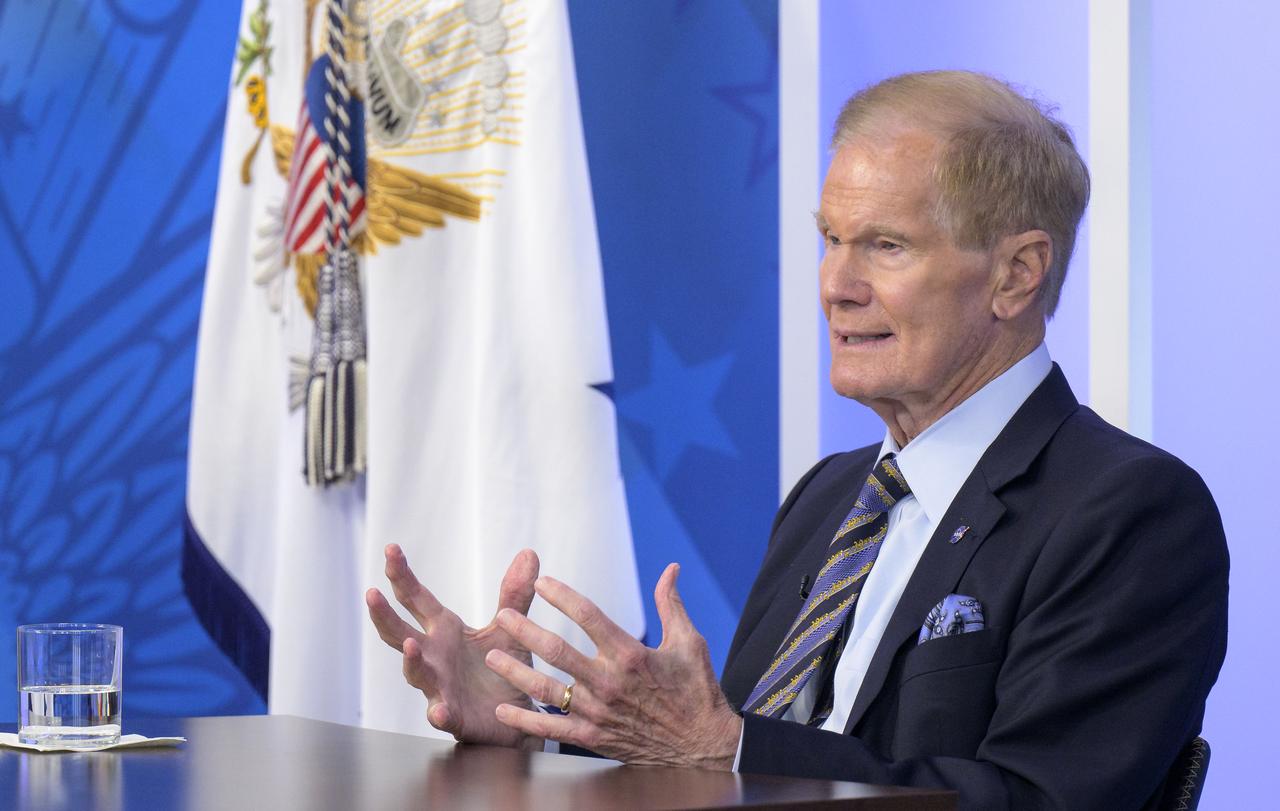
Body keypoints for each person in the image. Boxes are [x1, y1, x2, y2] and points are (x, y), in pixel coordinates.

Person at [365, 70, 1228, 809]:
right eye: (831, 239)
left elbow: (1039, 798)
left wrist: (726, 748)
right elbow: (714, 753)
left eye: (886, 245)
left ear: (1016, 274)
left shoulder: (1130, 512)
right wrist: (533, 724)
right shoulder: (829, 496)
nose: (836, 285)